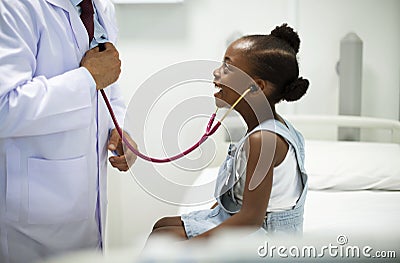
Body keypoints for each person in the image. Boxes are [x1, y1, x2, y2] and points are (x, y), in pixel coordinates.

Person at [0, 0, 137, 262]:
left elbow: (106, 84)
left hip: (85, 210)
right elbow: (5, 106)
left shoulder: (101, 7)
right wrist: (87, 79)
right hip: (29, 221)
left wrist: (119, 127)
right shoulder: (14, 6)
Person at [148, 23, 310, 241]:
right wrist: (204, 219)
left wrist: (189, 247)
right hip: (245, 221)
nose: (216, 72)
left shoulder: (263, 139)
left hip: (266, 238)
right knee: (162, 226)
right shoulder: (261, 129)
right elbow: (236, 198)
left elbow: (251, 219)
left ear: (255, 87)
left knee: (165, 238)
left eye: (227, 68)